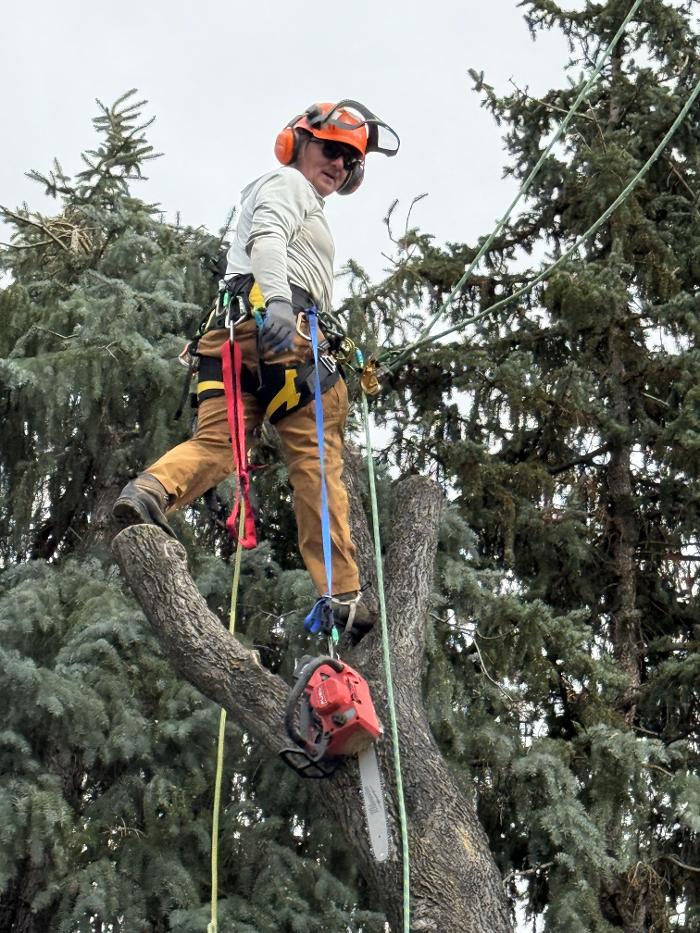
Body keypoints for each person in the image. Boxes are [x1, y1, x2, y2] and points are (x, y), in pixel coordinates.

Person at [113, 100, 400, 645]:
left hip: (230, 342)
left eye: (348, 160)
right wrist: (279, 307)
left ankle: (151, 490)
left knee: (220, 445)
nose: (338, 165)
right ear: (298, 145)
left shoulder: (299, 198)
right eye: (329, 150)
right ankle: (342, 594)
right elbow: (266, 239)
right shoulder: (289, 186)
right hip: (279, 330)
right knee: (317, 459)